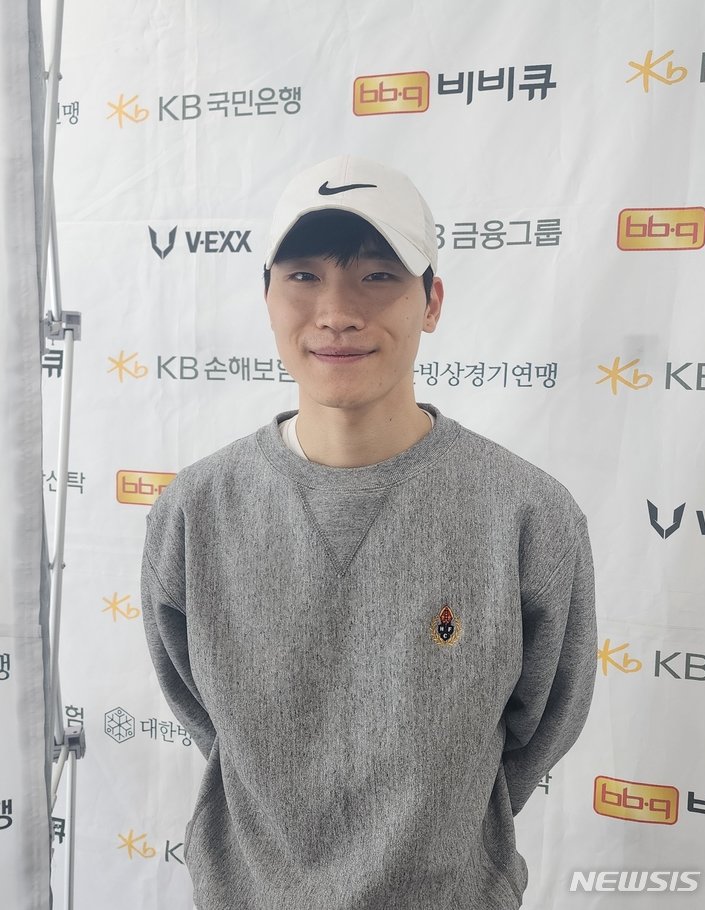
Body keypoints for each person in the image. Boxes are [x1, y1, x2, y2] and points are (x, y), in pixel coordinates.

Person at [141, 155, 597, 910]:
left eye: (378, 276)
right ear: (266, 296)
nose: (336, 312)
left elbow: (540, 727)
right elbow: (202, 711)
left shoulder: (528, 514)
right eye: (304, 276)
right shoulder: (195, 511)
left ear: (432, 301)